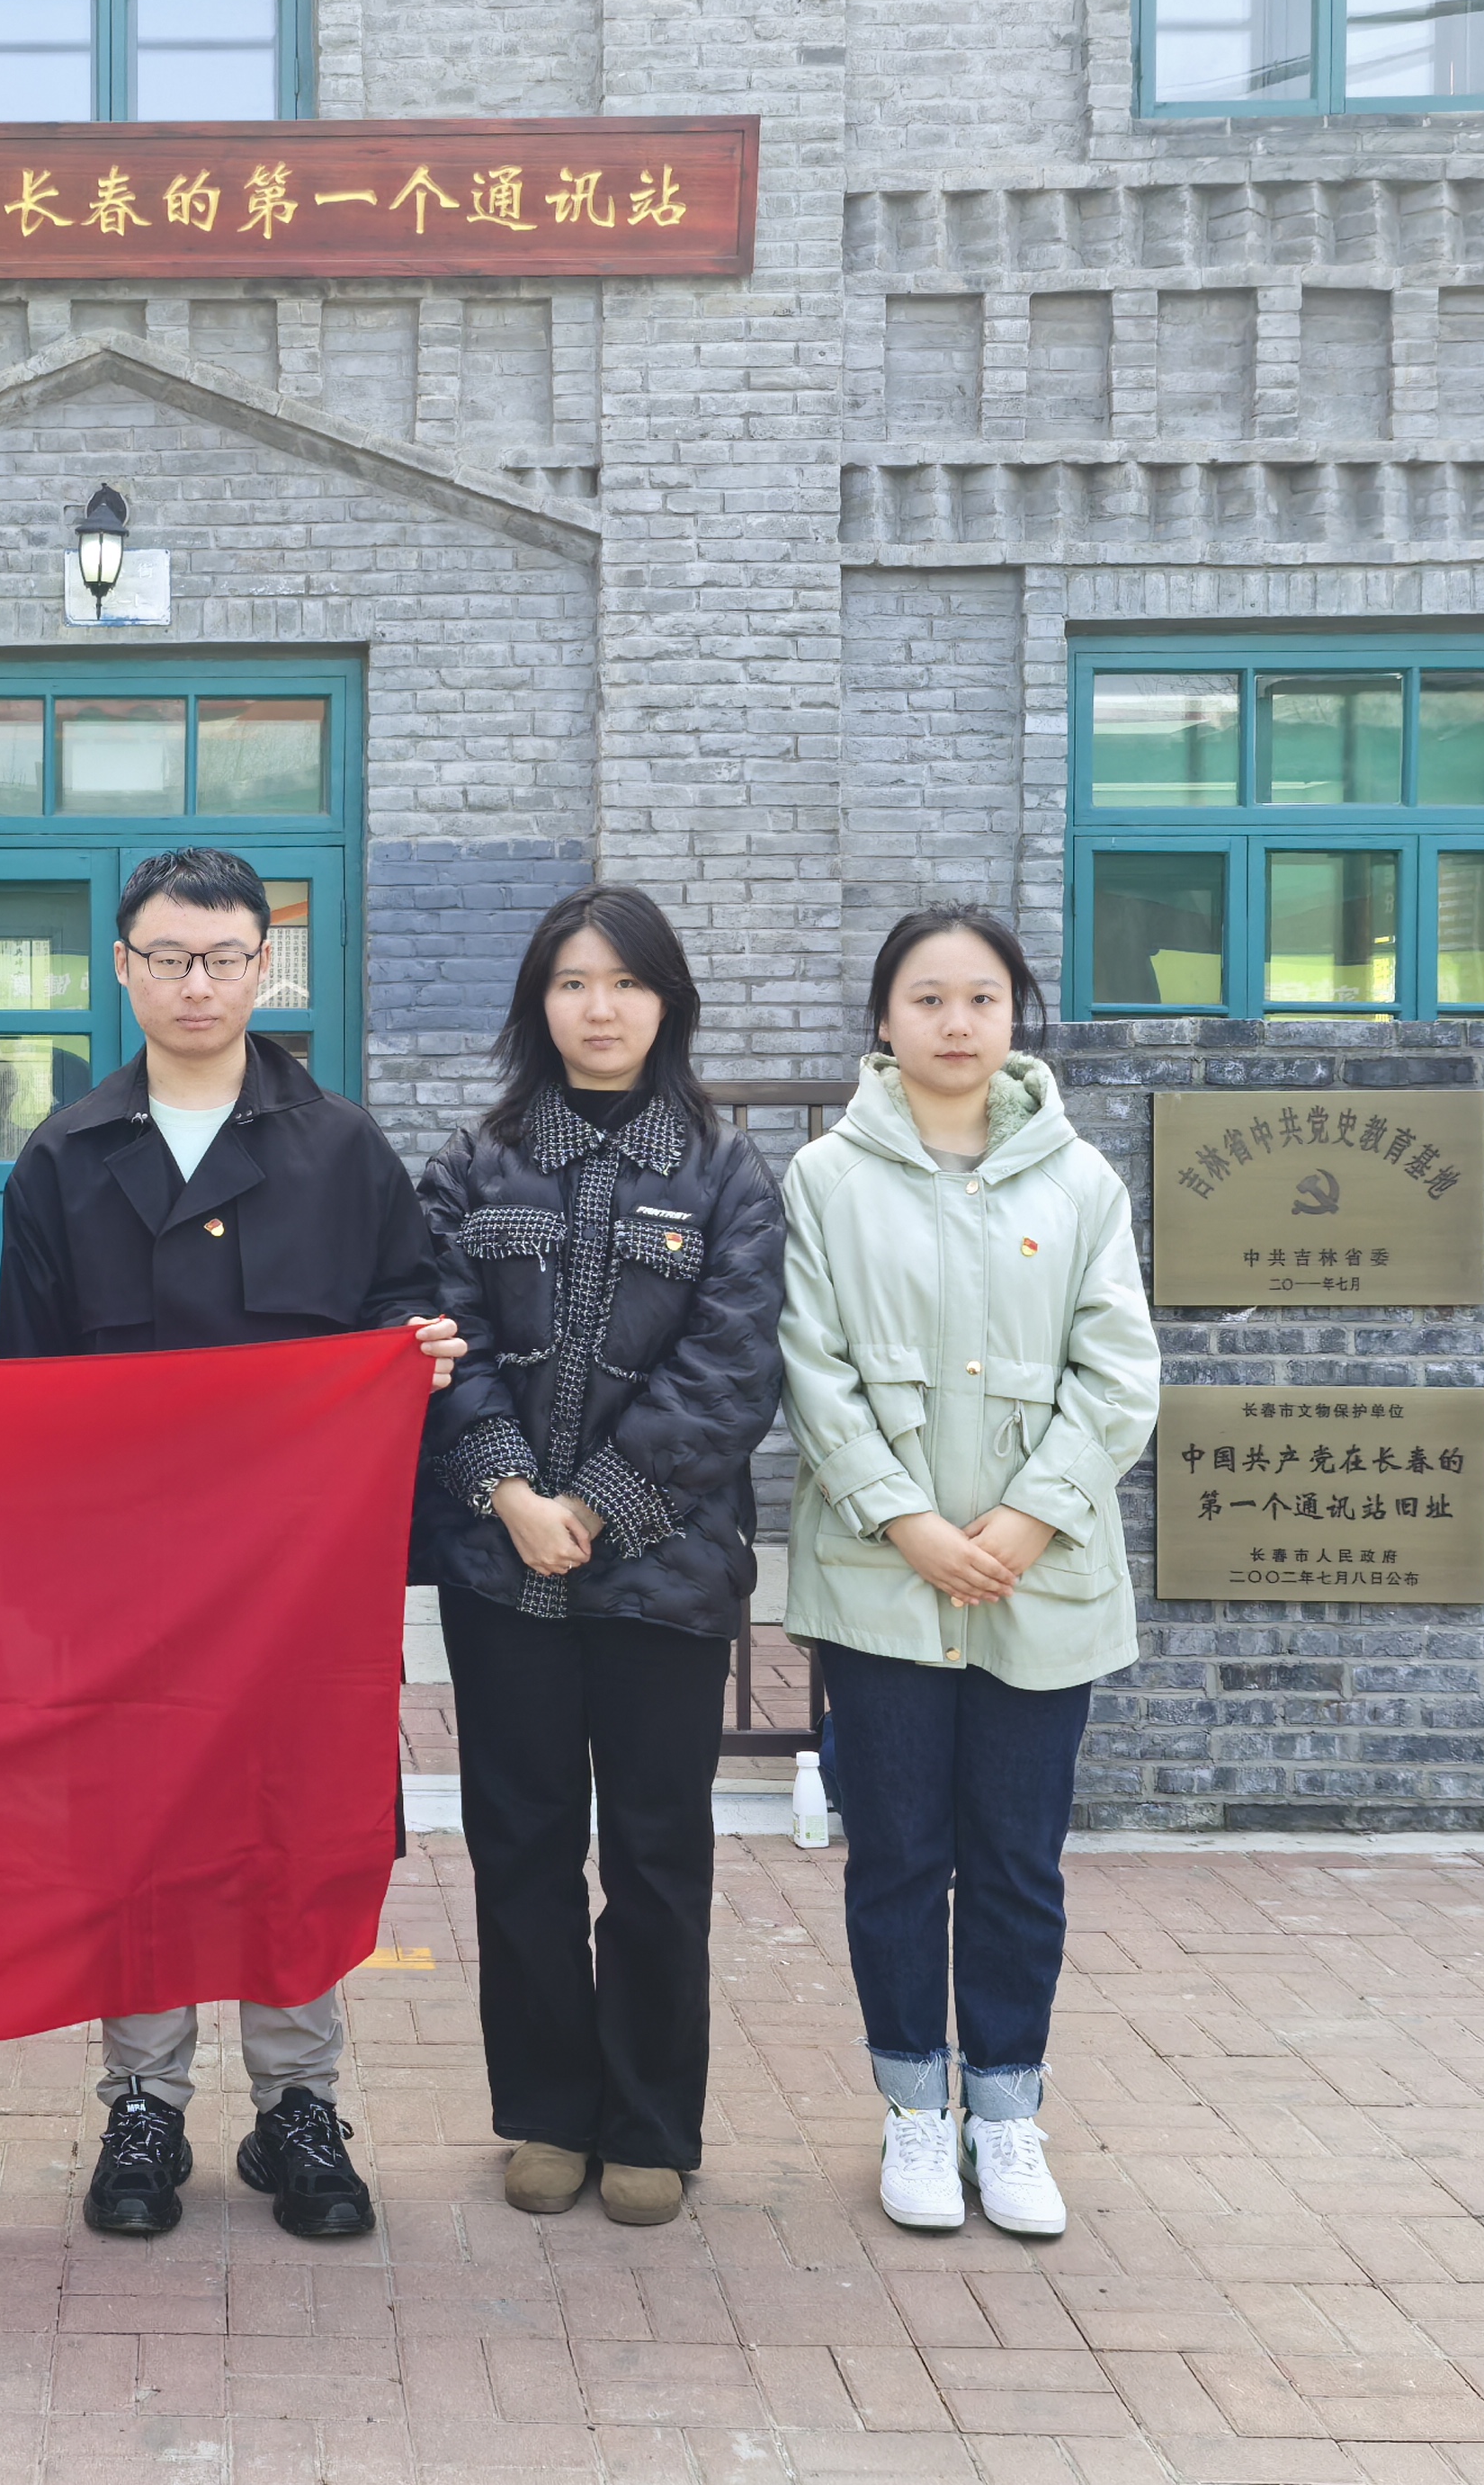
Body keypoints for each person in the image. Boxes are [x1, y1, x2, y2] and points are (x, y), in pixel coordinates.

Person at [0, 845, 464, 2242]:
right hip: (125, 1581)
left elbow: (404, 1313)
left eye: (222, 959)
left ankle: (297, 2106)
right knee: (136, 1829)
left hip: (297, 1581)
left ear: (266, 968)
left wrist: (416, 1358)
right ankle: (143, 2106)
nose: (195, 984)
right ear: (123, 970)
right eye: (167, 958)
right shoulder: (64, 1157)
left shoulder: (343, 1150)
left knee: (294, 1824)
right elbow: (29, 1388)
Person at [779, 907, 1158, 2241]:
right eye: (927, 998)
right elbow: (809, 1366)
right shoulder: (825, 1179)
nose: (955, 1022)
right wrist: (906, 1521)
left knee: (1016, 1859)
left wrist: (1031, 1519)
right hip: (883, 1579)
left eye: (982, 998)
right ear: (884, 1019)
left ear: (1016, 1017)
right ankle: (913, 2115)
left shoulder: (1081, 1182)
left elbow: (1121, 1374)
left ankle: (1006, 2113)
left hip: (1038, 1581)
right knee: (896, 1857)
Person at [412, 885, 786, 2228]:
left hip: (666, 1573)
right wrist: (513, 1492)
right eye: (573, 982)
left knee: (654, 1850)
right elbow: (435, 1337)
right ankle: (547, 2115)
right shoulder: (475, 1163)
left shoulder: (727, 1173)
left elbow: (733, 1372)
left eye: (625, 982)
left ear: (667, 1002)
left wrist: (600, 1504)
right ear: (540, 1004)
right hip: (499, 1565)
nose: (600, 1008)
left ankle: (648, 2123)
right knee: (518, 1844)